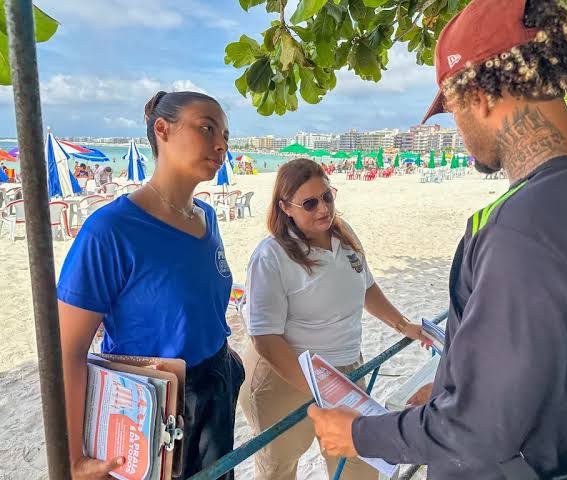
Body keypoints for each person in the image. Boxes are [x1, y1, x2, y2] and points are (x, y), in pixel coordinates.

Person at [307, 1, 567, 479]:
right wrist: (450, 387)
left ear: (481, 93)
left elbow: (480, 432)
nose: (457, 129)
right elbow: (562, 356)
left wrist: (356, 435)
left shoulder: (526, 225)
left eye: (453, 108)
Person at [57, 91, 244, 480]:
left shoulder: (207, 218)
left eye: (224, 134)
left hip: (216, 391)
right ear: (162, 129)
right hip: (152, 406)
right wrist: (74, 458)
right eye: (207, 128)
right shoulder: (110, 231)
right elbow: (67, 351)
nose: (221, 144)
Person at [239, 158, 429, 480]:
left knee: (359, 464)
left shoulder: (344, 235)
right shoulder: (271, 256)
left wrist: (403, 325)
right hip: (284, 378)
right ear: (285, 207)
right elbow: (265, 339)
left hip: (345, 370)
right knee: (279, 468)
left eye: (327, 197)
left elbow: (366, 286)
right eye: (310, 203)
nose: (323, 209)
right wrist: (317, 391)